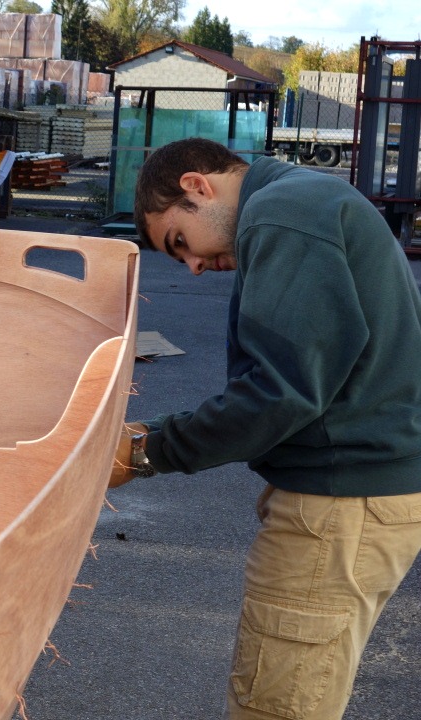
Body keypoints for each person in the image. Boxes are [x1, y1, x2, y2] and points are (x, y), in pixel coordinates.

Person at [111, 137, 421, 720]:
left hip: (340, 506)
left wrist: (145, 451)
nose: (193, 266)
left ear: (197, 186)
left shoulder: (284, 212)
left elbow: (278, 393)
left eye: (180, 241)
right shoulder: (306, 199)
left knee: (277, 707)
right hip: (359, 498)